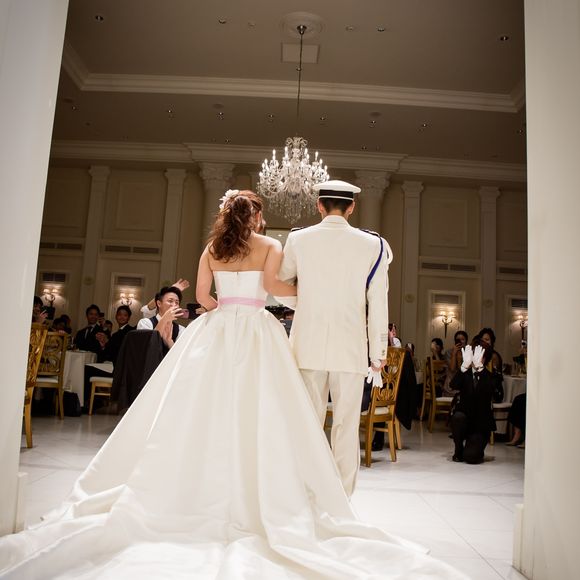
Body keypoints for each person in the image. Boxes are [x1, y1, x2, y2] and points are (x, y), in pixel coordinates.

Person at [0, 189, 465, 579]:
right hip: (260, 329)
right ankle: (298, 493)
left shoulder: (211, 249)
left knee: (199, 407)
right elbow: (278, 289)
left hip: (218, 328)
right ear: (257, 216)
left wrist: (224, 306)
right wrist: (312, 296)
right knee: (269, 411)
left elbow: (204, 297)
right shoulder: (271, 246)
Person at [276, 179, 391, 497]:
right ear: (351, 207)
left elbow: (280, 285)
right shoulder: (374, 244)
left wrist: (306, 304)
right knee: (346, 427)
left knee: (308, 424)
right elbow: (377, 302)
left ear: (319, 205)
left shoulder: (298, 239)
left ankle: (308, 494)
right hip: (351, 348)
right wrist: (378, 353)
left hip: (306, 345)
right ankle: (342, 498)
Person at [449, 339, 496, 464]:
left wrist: (480, 369)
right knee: (458, 417)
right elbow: (453, 385)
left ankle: (474, 447)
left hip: (480, 425)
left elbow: (495, 392)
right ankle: (458, 449)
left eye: (480, 356)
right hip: (464, 419)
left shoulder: (489, 376)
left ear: (484, 359)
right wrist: (464, 366)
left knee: (471, 457)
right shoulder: (466, 373)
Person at [137, 286, 185, 350]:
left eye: (177, 302)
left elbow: (180, 354)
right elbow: (146, 347)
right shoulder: (145, 323)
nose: (174, 305)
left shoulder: (181, 329)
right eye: (170, 301)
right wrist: (165, 319)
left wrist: (169, 342)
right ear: (159, 303)